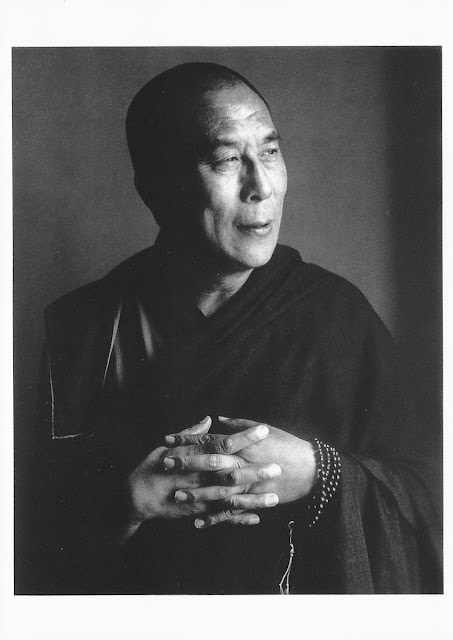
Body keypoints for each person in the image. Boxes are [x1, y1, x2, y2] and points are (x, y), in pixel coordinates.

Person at [27, 62, 441, 594]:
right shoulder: (85, 330)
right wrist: (126, 504)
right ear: (155, 186)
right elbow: (32, 553)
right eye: (227, 159)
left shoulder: (337, 317)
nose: (261, 186)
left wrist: (318, 472)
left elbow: (430, 500)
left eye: (270, 152)